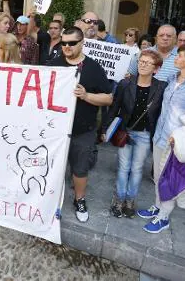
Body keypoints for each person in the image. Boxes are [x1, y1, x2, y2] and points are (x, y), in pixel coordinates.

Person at [137, 42, 185, 234]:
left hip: (176, 144)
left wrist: (180, 134)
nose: (175, 58)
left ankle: (163, 217)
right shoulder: (170, 79)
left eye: (179, 56)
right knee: (157, 176)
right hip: (159, 137)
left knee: (168, 180)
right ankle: (157, 206)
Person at [47, 27, 113, 222]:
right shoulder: (54, 64)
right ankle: (49, 201)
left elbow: (108, 98)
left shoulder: (93, 68)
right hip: (55, 129)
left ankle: (80, 200)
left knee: (80, 169)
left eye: (71, 43)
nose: (66, 47)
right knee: (52, 168)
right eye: (63, 43)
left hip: (83, 130)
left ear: (82, 43)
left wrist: (86, 96)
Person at [104, 49, 165, 218]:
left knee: (137, 168)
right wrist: (105, 128)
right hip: (126, 132)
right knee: (123, 167)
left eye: (147, 62)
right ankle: (119, 199)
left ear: (156, 68)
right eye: (141, 61)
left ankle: (130, 200)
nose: (143, 65)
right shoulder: (125, 84)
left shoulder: (161, 87)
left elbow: (161, 112)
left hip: (145, 134)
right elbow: (115, 107)